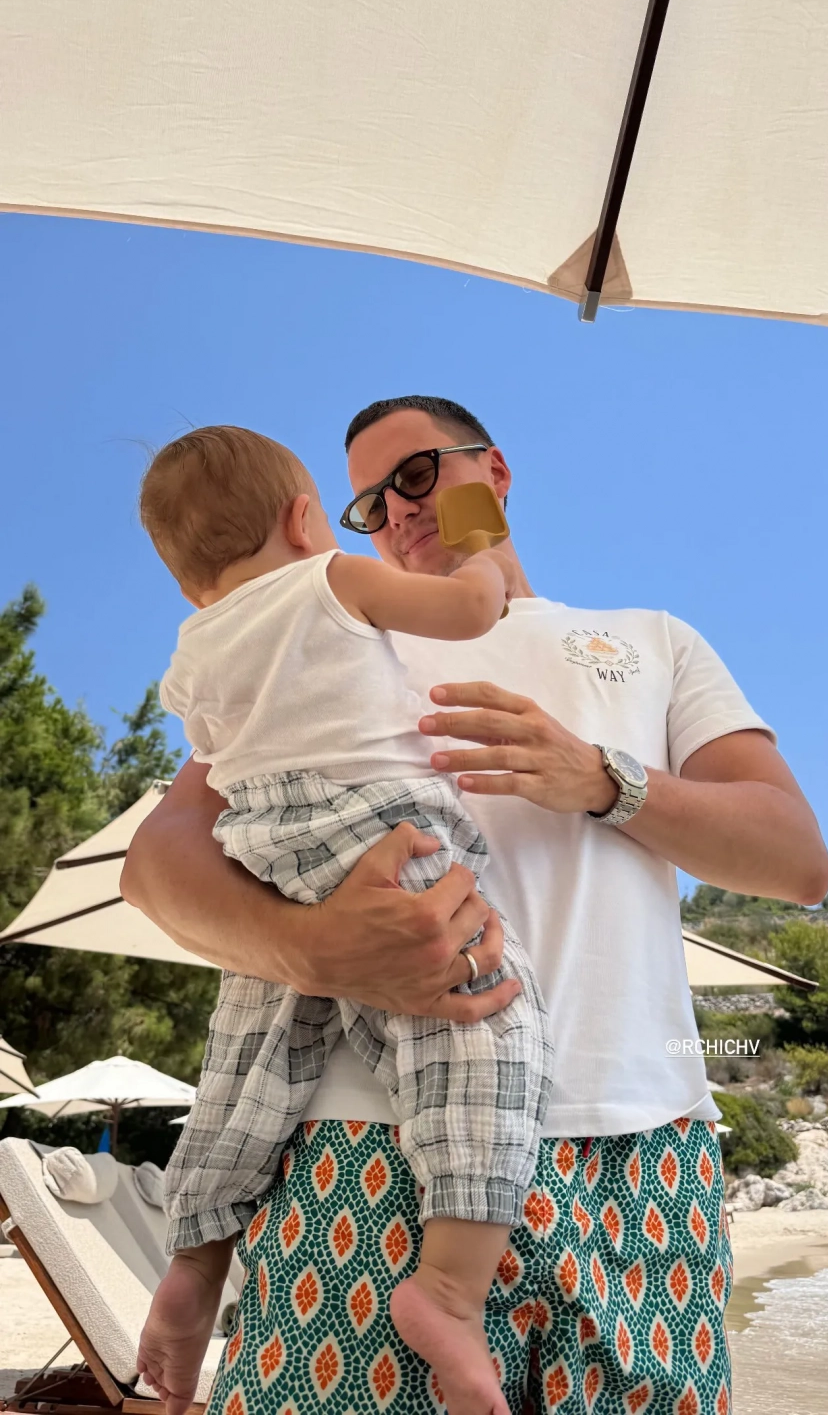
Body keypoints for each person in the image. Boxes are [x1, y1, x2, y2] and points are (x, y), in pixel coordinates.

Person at [123, 397, 828, 1415]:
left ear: (492, 470)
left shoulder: (651, 641)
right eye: (367, 504)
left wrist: (603, 778)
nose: (395, 511)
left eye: (416, 475)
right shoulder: (329, 625)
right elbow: (157, 864)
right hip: (367, 1149)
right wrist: (311, 948)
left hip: (640, 1150)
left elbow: (797, 860)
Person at [135, 425, 553, 1415]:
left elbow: (221, 766)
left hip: (264, 849)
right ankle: (448, 1290)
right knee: (486, 1025)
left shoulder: (193, 650)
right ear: (303, 518)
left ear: (186, 577)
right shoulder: (330, 578)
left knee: (251, 1056)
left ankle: (195, 1260)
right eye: (352, 506)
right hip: (380, 827)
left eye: (420, 480)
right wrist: (477, 541)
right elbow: (474, 607)